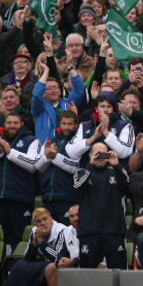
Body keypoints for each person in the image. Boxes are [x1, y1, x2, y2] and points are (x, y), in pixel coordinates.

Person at [73, 141, 129, 268]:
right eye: (96, 154)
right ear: (90, 155)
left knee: (119, 272)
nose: (99, 157)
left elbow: (127, 185)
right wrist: (90, 165)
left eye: (103, 154)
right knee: (87, 273)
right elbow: (78, 186)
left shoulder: (116, 171)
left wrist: (117, 165)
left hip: (114, 231)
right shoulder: (82, 172)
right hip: (89, 232)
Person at [0, 112, 40, 252]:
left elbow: (33, 165)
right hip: (1, 199)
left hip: (21, 199)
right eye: (9, 123)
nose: (12, 126)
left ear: (22, 124)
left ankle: (17, 270)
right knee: (1, 239)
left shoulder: (32, 140)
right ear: (4, 124)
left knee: (19, 238)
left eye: (15, 123)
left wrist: (10, 152)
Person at [3, 208, 72, 286]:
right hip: (44, 262)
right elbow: (28, 258)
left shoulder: (62, 230)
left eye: (45, 219)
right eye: (39, 221)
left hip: (61, 263)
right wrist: (34, 244)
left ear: (51, 219)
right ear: (36, 224)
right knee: (20, 264)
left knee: (44, 267)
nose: (42, 223)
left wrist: (42, 242)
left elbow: (58, 258)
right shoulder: (35, 231)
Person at [35, 110, 80, 225]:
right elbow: (38, 166)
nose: (66, 127)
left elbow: (76, 168)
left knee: (67, 234)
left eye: (70, 124)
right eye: (63, 123)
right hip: (48, 196)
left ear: (76, 125)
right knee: (49, 236)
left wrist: (55, 157)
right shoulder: (50, 140)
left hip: (68, 197)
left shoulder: (78, 142)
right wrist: (46, 155)